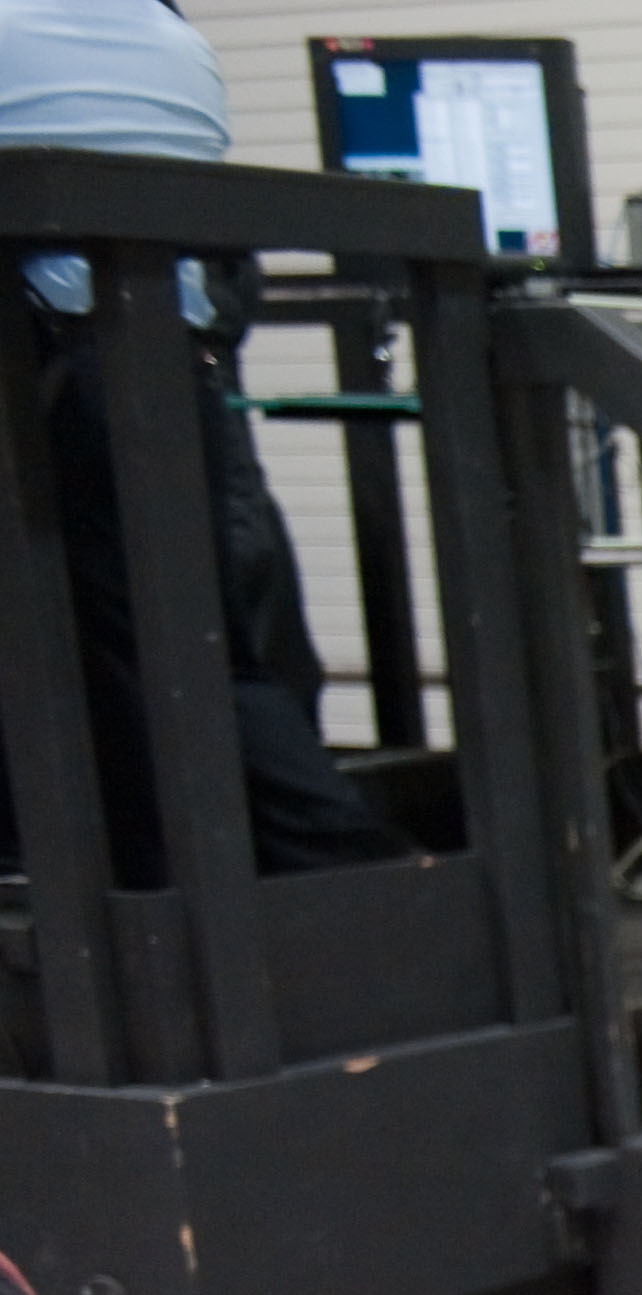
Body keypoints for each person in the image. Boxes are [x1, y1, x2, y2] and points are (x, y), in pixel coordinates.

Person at [0, 0, 411, 888]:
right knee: (208, 661)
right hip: (175, 376)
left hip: (52, 388)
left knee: (129, 677)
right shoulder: (169, 35)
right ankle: (370, 891)